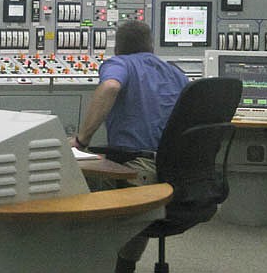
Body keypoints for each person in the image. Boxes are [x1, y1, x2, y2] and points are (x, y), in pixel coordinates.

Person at [69, 20, 188, 273]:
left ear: (118, 47)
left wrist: (81, 141)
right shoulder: (174, 72)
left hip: (137, 168)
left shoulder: (119, 64)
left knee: (63, 175)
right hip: (174, 170)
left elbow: (111, 86)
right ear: (151, 45)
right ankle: (123, 266)